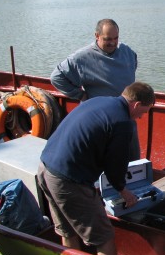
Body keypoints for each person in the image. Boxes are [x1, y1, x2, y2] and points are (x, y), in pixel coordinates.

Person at [36, 82, 155, 255]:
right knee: (104, 236)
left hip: (45, 168)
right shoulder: (123, 122)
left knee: (67, 229)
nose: (141, 117)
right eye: (144, 112)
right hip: (67, 180)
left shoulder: (99, 101)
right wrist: (123, 191)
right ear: (136, 104)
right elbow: (115, 165)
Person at [50, 18, 141, 160]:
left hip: (126, 119)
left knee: (132, 160)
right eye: (107, 39)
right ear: (97, 36)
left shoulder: (127, 51)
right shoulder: (82, 58)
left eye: (116, 38)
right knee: (104, 161)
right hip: (101, 122)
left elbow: (133, 64)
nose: (112, 42)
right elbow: (56, 77)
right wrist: (80, 95)